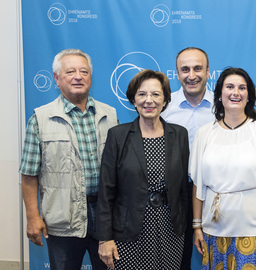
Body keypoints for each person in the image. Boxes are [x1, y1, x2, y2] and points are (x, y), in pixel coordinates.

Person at [19, 49, 118, 270]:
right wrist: (33, 217)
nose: (78, 76)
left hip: (105, 215)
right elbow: (28, 175)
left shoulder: (110, 115)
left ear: (91, 76)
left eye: (84, 71)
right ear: (56, 78)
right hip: (63, 218)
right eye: (70, 71)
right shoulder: (40, 119)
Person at [190, 67, 256, 270]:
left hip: (254, 231)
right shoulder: (204, 134)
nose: (236, 92)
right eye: (230, 87)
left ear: (249, 95)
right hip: (213, 231)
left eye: (242, 88)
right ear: (219, 93)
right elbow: (198, 186)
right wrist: (197, 226)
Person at [96, 69, 189, 270]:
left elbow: (183, 190)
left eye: (156, 94)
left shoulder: (179, 135)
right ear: (133, 100)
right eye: (142, 94)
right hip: (129, 231)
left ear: (165, 100)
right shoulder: (118, 136)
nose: (149, 100)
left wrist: (186, 228)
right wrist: (105, 239)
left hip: (170, 229)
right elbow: (106, 191)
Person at [161, 47, 214, 269]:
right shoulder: (162, 106)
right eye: (185, 69)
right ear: (176, 73)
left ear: (208, 72)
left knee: (216, 257)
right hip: (174, 194)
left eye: (197, 68)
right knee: (175, 260)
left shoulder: (223, 106)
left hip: (214, 194)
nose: (191, 75)